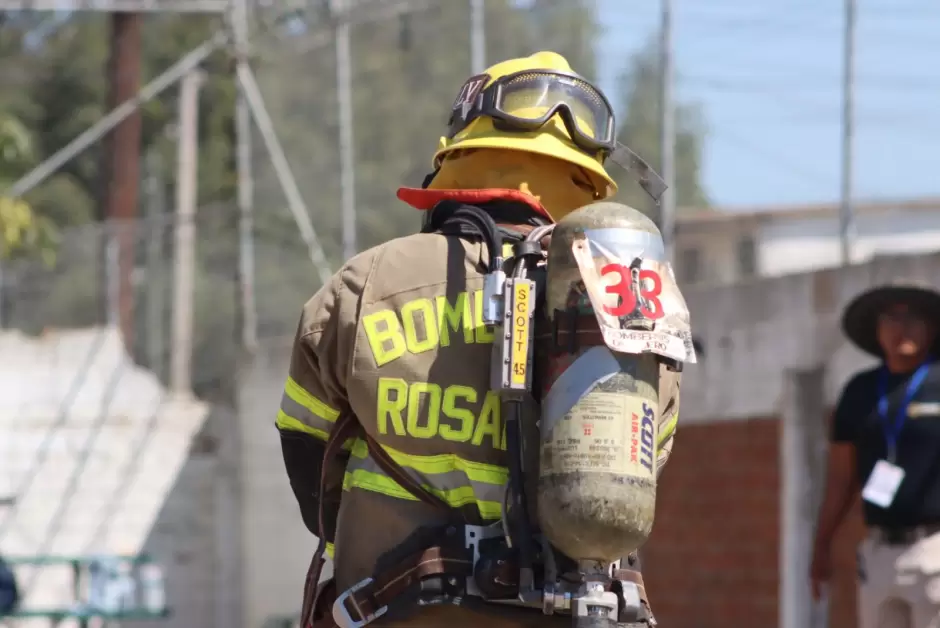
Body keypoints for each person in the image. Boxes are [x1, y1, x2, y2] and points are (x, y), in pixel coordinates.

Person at [275, 51, 684, 628]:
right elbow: (641, 464)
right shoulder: (634, 305)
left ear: (459, 157)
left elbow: (307, 454)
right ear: (590, 180)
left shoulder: (370, 281)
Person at [811, 282, 940, 627]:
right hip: (879, 552)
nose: (902, 327)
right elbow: (840, 477)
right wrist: (821, 544)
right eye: (892, 318)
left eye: (914, 318)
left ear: (932, 326)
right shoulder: (860, 392)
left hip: (935, 548)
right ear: (877, 328)